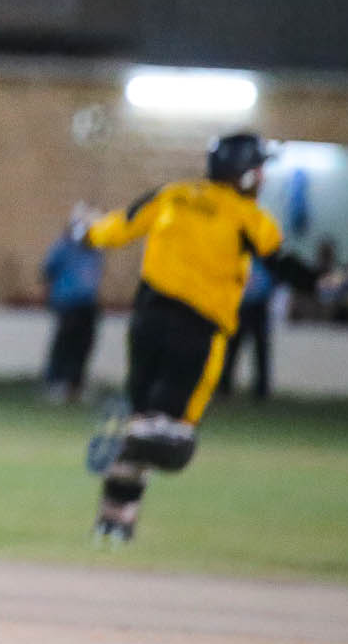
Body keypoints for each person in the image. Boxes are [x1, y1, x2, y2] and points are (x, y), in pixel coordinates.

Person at [74, 131, 319, 544]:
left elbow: (115, 228)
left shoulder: (172, 195)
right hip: (198, 332)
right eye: (259, 169)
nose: (262, 177)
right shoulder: (248, 216)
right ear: (245, 175)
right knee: (175, 442)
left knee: (143, 424)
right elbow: (285, 265)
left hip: (147, 324)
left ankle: (114, 520)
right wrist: (331, 282)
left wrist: (85, 231)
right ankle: (129, 469)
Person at [39, 208, 103, 404]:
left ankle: (75, 384)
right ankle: (56, 382)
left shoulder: (96, 249)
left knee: (83, 345)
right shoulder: (64, 247)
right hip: (67, 302)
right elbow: (47, 270)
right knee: (64, 343)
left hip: (88, 303)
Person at [217, 256, 273, 400]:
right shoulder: (240, 256)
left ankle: (261, 389)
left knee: (260, 349)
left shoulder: (267, 259)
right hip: (240, 307)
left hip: (259, 307)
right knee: (233, 348)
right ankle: (225, 385)